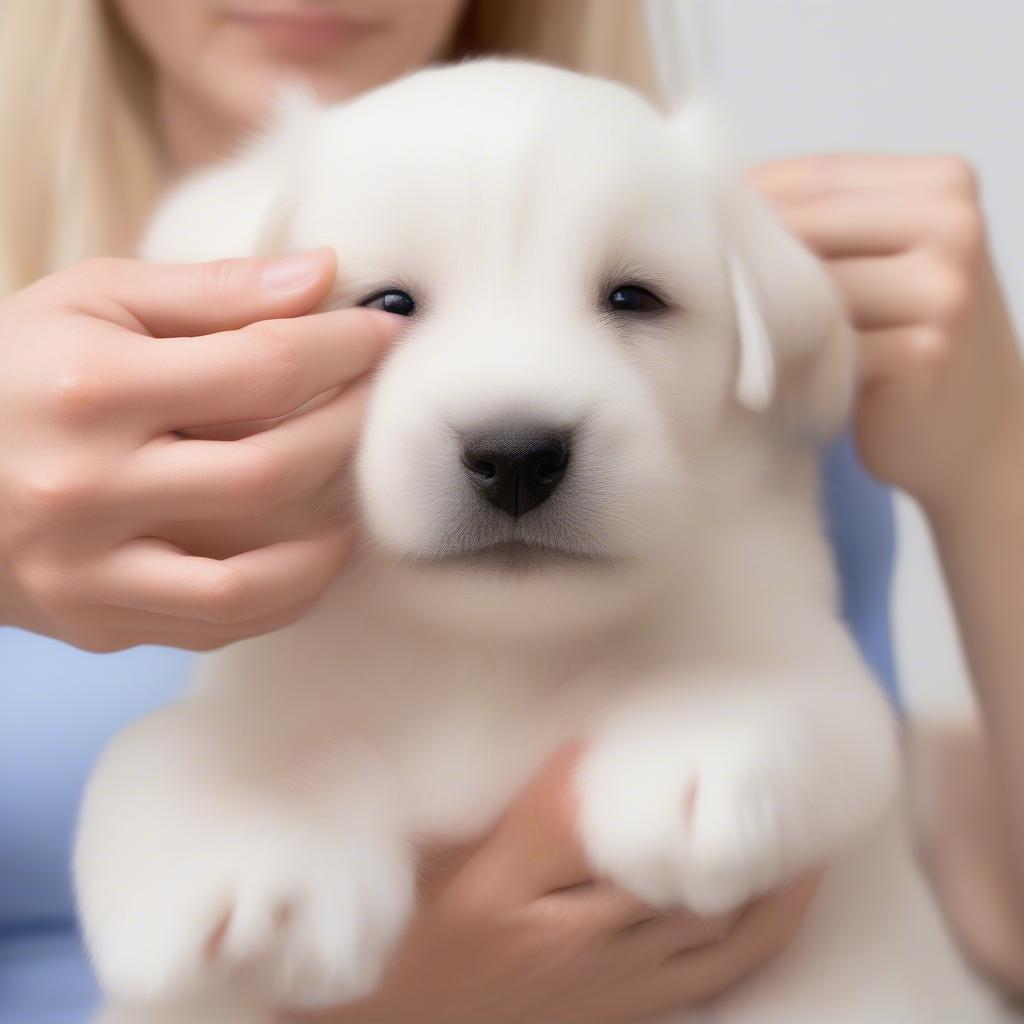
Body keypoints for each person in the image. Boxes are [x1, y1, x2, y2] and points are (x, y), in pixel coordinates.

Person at [0, 2, 1020, 1021]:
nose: (515, 416)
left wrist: (993, 454)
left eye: (630, 301)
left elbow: (953, 863)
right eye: (390, 302)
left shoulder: (776, 392)